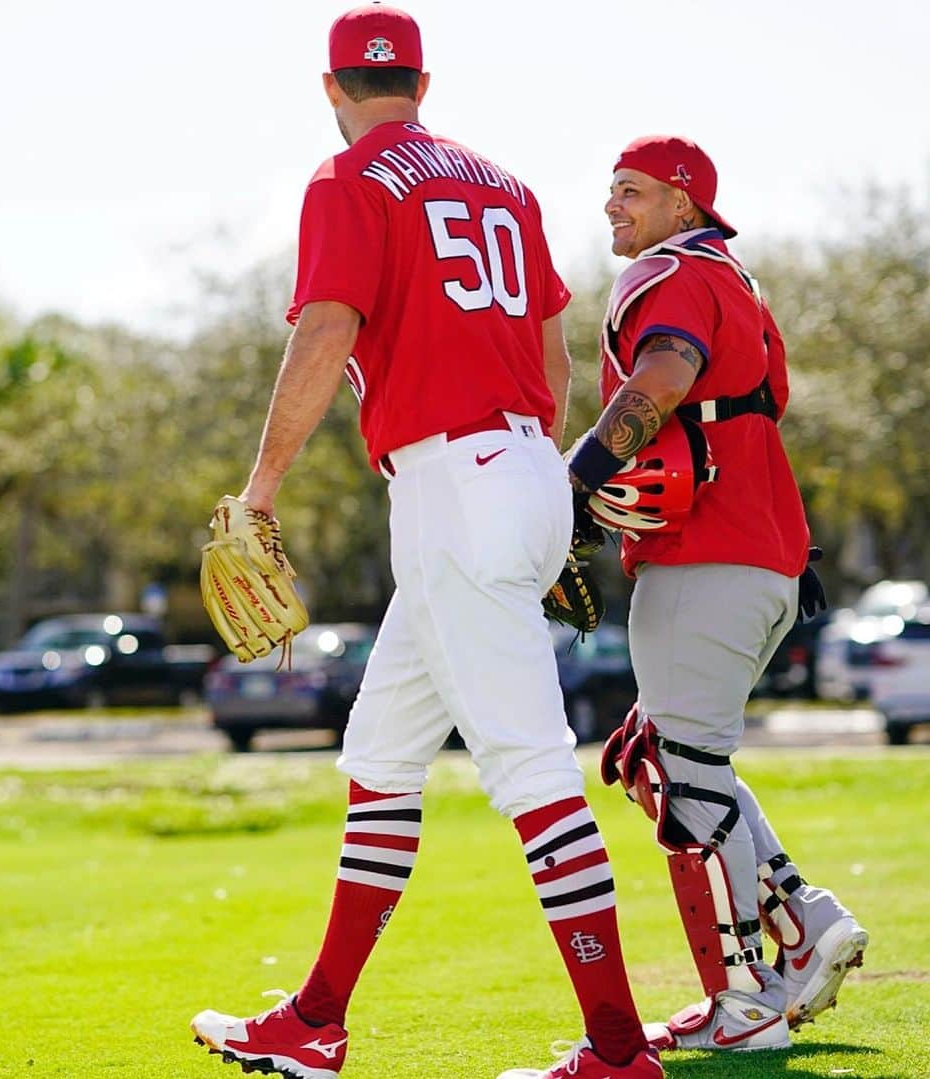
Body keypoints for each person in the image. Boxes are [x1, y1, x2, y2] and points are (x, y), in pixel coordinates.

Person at [189, 6, 661, 1078]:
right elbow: (553, 361)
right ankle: (315, 1016)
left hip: (454, 485)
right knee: (383, 758)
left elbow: (326, 325)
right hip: (520, 467)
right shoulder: (507, 184)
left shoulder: (348, 177)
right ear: (422, 80)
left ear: (332, 86)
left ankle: (620, 1050)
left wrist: (262, 484)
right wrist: (530, 486)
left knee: (535, 773)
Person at [554, 135, 868, 1055]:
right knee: (670, 758)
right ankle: (803, 921)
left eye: (633, 191)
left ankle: (747, 1001)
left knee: (683, 778)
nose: (614, 206)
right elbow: (762, 407)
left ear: (683, 205)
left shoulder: (669, 272)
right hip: (762, 554)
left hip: (707, 555)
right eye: (611, 190)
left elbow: (664, 381)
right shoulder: (733, 275)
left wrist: (572, 485)